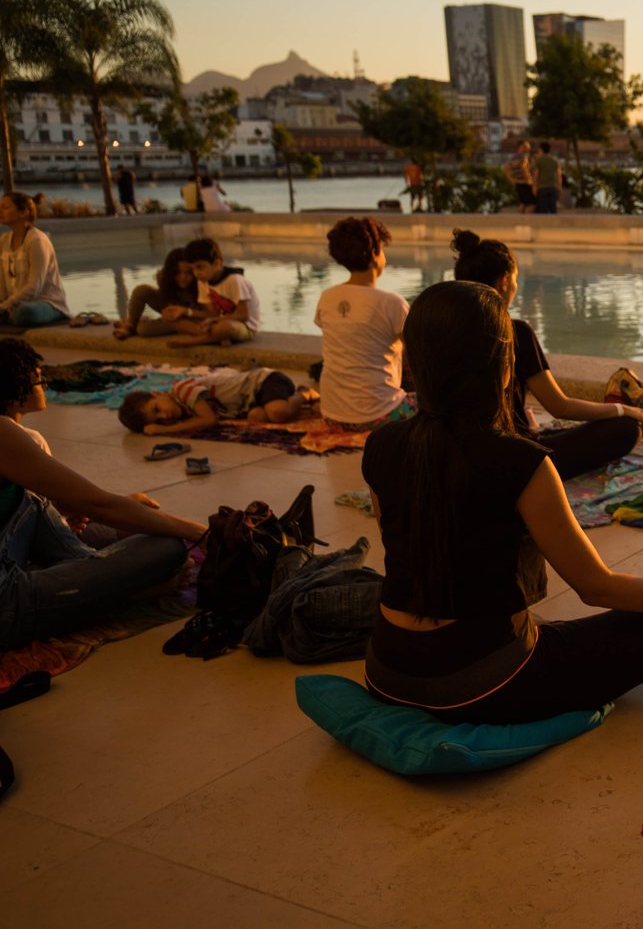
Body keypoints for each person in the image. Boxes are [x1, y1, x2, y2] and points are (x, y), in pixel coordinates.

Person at [361, 280, 643, 723]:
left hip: (385, 672)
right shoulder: (520, 462)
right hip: (479, 685)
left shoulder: (379, 444)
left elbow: (400, 548)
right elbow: (597, 587)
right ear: (502, 365)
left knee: (564, 631)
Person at [0, 340, 205, 650]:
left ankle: (100, 574)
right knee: (168, 548)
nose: (44, 384)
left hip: (16, 551)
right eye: (39, 380)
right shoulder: (6, 434)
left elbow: (78, 503)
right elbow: (97, 504)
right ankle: (123, 589)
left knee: (35, 502)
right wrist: (202, 533)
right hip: (6, 603)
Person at [451, 229, 643, 478]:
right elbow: (559, 406)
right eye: (515, 279)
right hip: (513, 458)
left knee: (544, 432)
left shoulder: (446, 330)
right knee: (627, 428)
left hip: (457, 453)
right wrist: (622, 409)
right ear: (504, 281)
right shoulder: (513, 331)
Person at [315, 217, 412, 430]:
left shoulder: (327, 297)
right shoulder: (392, 303)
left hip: (332, 414)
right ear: (376, 253)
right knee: (440, 407)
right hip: (382, 414)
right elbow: (418, 352)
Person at [117, 367, 317, 435]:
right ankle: (295, 404)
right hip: (251, 403)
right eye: (159, 420)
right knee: (258, 417)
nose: (165, 415)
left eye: (157, 409)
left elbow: (209, 419)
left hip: (264, 381)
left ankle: (304, 394)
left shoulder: (182, 390)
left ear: (156, 394)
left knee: (277, 413)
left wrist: (163, 430)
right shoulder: (183, 411)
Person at [165, 238, 259, 347]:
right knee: (169, 317)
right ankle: (214, 336)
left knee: (226, 327)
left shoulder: (235, 280)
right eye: (193, 269)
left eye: (200, 267)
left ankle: (196, 341)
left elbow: (243, 315)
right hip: (218, 321)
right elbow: (212, 313)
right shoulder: (203, 282)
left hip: (244, 326)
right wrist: (185, 311)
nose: (196, 273)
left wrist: (214, 320)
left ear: (217, 263)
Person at [0, 192, 70, 329]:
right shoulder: (3, 240)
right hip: (12, 304)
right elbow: (1, 283)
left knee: (24, 312)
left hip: (45, 303)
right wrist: (3, 303)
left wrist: (7, 305)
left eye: (5, 207)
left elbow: (35, 286)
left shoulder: (36, 240)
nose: (0, 211)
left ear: (23, 212)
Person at [113, 248, 198, 340]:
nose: (183, 277)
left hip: (188, 318)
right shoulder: (165, 279)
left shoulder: (200, 283)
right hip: (172, 310)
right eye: (177, 273)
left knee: (144, 329)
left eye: (188, 273)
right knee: (141, 290)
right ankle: (130, 325)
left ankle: (133, 323)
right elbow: (166, 301)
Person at [505, 142, 537, 215]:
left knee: (523, 202)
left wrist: (512, 179)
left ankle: (521, 220)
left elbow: (506, 168)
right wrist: (529, 179)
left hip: (518, 183)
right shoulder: (524, 157)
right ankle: (528, 221)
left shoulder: (514, 157)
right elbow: (523, 168)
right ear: (521, 146)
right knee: (532, 203)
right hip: (525, 183)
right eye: (527, 146)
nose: (529, 148)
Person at [534, 142, 561, 214]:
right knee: (553, 210)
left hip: (542, 188)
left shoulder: (539, 161)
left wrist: (534, 186)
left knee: (543, 210)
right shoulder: (554, 160)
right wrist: (559, 186)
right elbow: (559, 175)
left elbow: (536, 175)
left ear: (541, 150)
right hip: (553, 187)